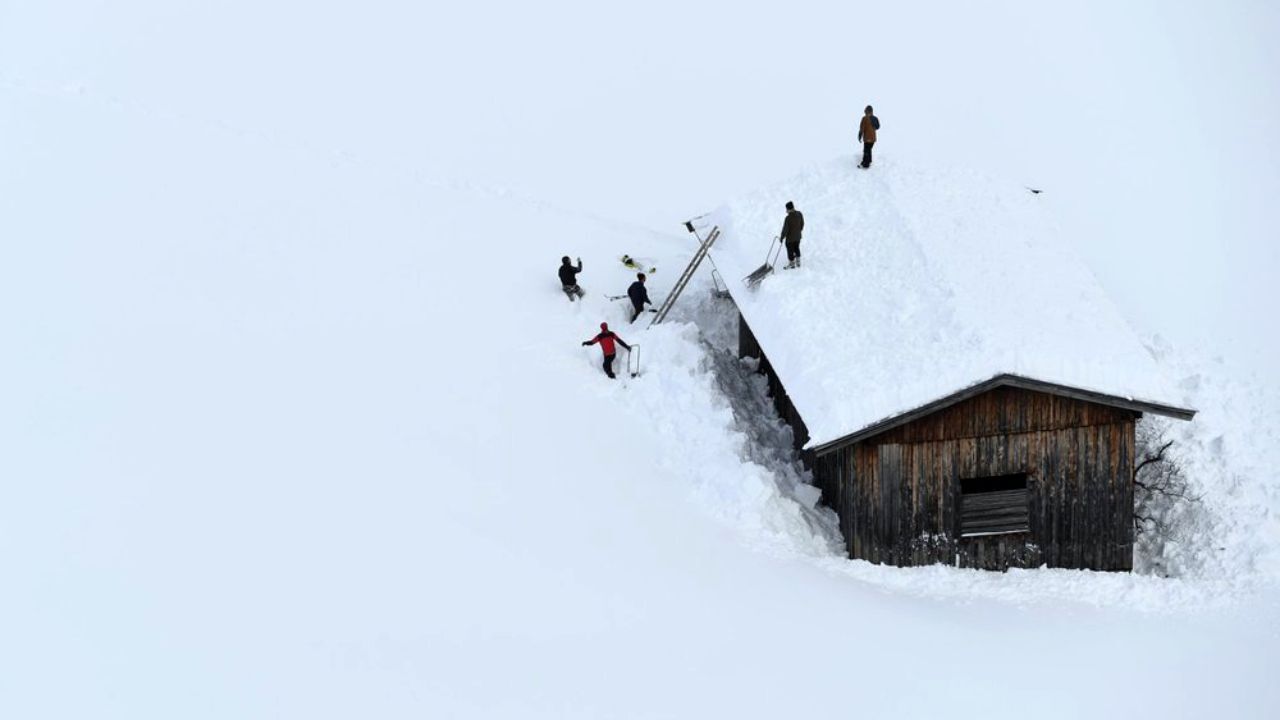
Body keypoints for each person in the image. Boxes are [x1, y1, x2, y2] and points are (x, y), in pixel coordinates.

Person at [779, 201, 805, 269]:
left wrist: (781, 237)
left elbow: (785, 230)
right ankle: (798, 262)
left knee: (790, 250)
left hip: (790, 239)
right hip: (798, 237)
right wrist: (798, 231)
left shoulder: (788, 218)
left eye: (787, 209)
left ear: (789, 209)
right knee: (796, 247)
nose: (786, 211)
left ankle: (792, 263)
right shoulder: (799, 214)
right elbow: (802, 224)